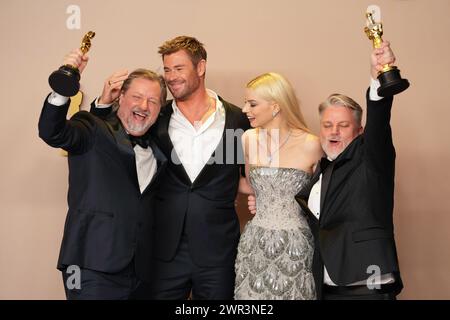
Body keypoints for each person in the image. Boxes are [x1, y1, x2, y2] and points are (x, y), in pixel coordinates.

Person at [91, 36, 250, 299]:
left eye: (178, 68)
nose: (171, 77)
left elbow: (245, 172)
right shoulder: (156, 116)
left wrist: (258, 193)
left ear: (200, 68)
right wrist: (103, 104)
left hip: (217, 251)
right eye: (166, 69)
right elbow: (111, 137)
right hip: (163, 249)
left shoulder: (235, 119)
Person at [250, 40, 404, 300]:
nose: (334, 131)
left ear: (360, 131)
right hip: (327, 285)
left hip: (366, 285)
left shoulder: (371, 157)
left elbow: (379, 119)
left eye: (343, 125)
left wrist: (378, 75)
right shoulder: (321, 169)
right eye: (327, 124)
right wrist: (261, 199)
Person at [38, 49, 168, 299]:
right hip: (91, 265)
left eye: (152, 101)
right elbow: (51, 132)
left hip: (141, 272)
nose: (143, 106)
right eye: (137, 97)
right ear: (120, 98)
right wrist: (65, 82)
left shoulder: (159, 148)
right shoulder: (92, 128)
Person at [234, 72, 323, 299]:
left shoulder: (311, 144)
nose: (244, 109)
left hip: (296, 246)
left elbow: (324, 198)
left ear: (275, 106)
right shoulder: (247, 139)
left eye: (252, 103)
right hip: (255, 243)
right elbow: (250, 184)